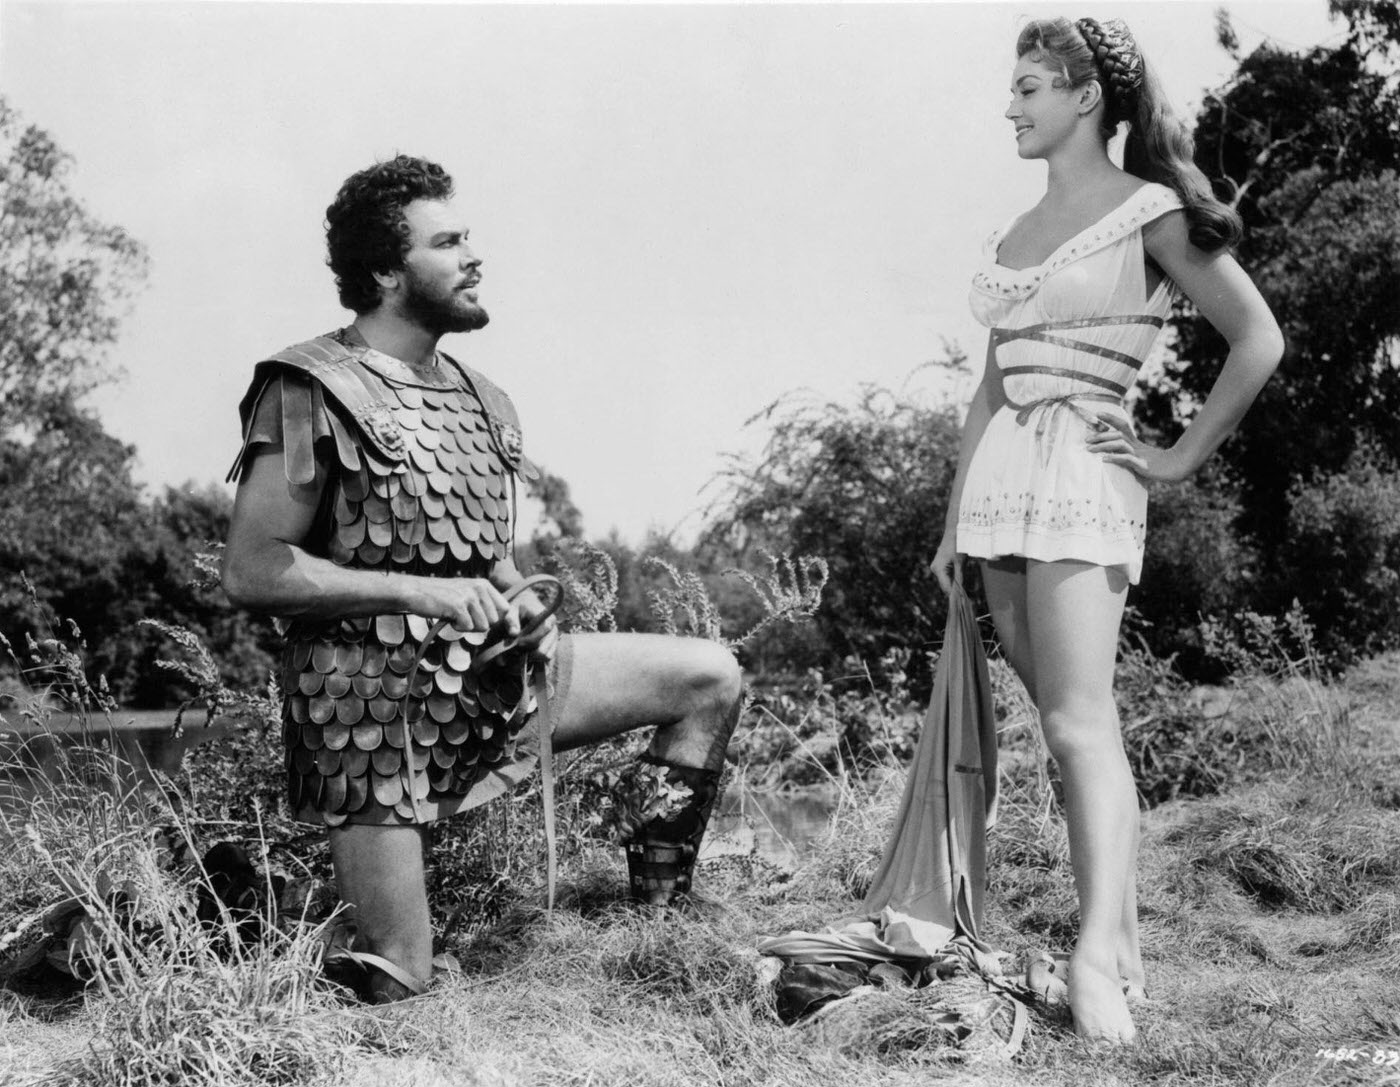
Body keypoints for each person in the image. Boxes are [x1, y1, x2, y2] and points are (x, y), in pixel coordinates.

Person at [221, 154, 742, 1003]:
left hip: (488, 682)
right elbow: (251, 568)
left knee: (708, 676)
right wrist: (413, 593)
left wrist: (529, 599)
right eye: (449, 241)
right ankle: (253, 921)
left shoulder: (482, 397)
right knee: (403, 977)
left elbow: (478, 553)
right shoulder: (308, 386)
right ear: (388, 271)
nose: (473, 256)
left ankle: (660, 937)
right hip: (369, 715)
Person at [929, 17, 1283, 1044]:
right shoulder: (1010, 236)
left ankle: (1093, 957)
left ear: (1086, 98)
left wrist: (1175, 457)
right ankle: (1120, 946)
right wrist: (954, 523)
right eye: (1011, 88)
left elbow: (1256, 338)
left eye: (1030, 86)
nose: (1010, 106)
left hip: (1086, 475)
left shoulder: (1149, 211)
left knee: (1081, 722)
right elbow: (987, 391)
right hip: (1000, 490)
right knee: (1067, 724)